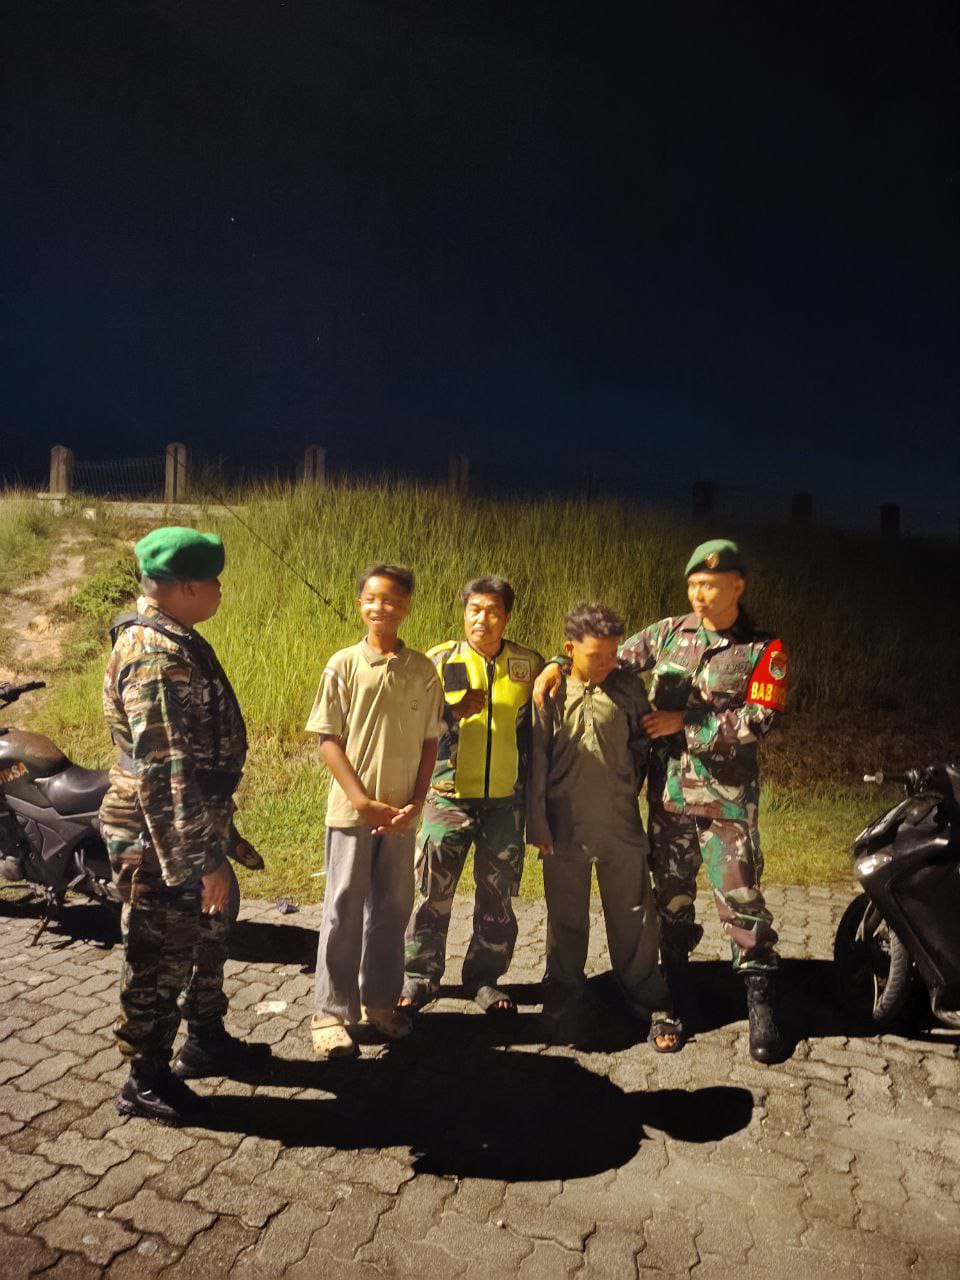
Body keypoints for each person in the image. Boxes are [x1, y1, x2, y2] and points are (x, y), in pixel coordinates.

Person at [534, 540, 788, 1063]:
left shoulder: (764, 649)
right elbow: (604, 657)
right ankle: (672, 987)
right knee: (670, 899)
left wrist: (684, 723)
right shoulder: (670, 632)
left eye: (710, 585)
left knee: (741, 899)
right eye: (693, 585)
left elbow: (761, 719)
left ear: (737, 586)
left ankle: (760, 999)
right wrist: (556, 663)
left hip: (725, 800)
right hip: (670, 797)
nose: (699, 594)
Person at [101, 526, 268, 1125]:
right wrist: (205, 861)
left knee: (204, 937)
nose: (220, 590)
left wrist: (220, 836)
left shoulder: (174, 637)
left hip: (194, 820)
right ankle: (144, 1078)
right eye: (213, 581)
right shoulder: (154, 656)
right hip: (160, 835)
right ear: (187, 587)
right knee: (160, 952)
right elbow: (163, 771)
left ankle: (205, 1039)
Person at [527, 602, 682, 1050]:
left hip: (619, 820)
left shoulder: (629, 687)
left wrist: (630, 785)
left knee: (633, 913)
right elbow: (536, 757)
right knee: (566, 916)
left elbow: (643, 745)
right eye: (597, 656)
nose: (608, 663)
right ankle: (564, 990)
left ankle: (649, 996)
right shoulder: (550, 691)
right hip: (564, 824)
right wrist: (537, 821)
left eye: (614, 653)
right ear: (569, 649)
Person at [306, 563, 444, 1058]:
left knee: (392, 908)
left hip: (402, 815)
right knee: (343, 907)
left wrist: (417, 801)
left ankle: (380, 1003)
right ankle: (330, 1013)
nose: (381, 607)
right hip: (353, 813)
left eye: (392, 599)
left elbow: (430, 742)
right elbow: (327, 739)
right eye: (372, 598)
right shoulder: (343, 664)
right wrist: (361, 801)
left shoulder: (423, 670)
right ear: (360, 603)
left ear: (407, 607)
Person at [401, 576, 543, 1014]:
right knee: (431, 892)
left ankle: (484, 980)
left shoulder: (528, 664)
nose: (483, 619)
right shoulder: (439, 660)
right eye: (475, 610)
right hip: (447, 798)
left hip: (505, 803)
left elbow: (541, 729)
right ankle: (419, 977)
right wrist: (451, 712)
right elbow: (410, 720)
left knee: (497, 897)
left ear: (507, 616)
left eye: (493, 611)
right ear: (464, 613)